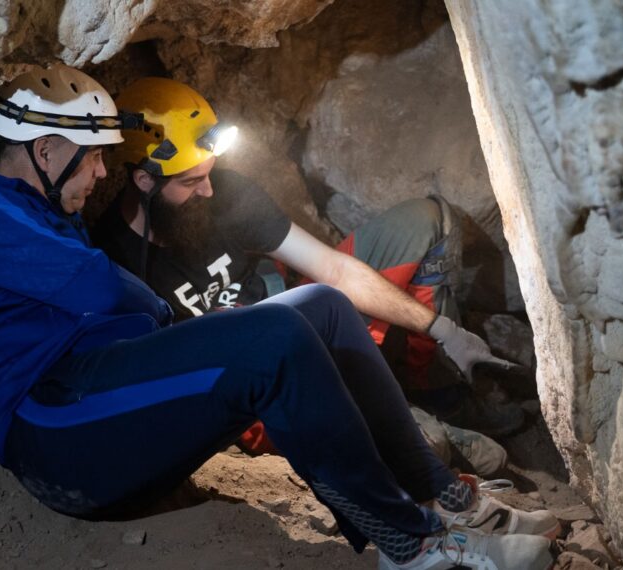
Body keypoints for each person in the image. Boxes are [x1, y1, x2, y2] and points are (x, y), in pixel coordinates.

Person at [0, 64, 556, 569]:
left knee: (322, 305)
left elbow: (125, 308)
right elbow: (115, 294)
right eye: (92, 157)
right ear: (46, 149)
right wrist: (152, 316)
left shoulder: (38, 219)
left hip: (90, 404)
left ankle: (443, 495)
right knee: (276, 334)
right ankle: (413, 548)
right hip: (52, 432)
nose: (99, 172)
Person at [91, 77, 522, 462]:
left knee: (429, 221)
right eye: (189, 182)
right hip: (265, 386)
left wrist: (440, 329)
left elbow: (331, 269)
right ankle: (422, 429)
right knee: (433, 452)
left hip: (307, 323)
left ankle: (439, 393)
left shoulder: (223, 192)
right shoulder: (116, 265)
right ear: (144, 181)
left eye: (208, 173)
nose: (207, 189)